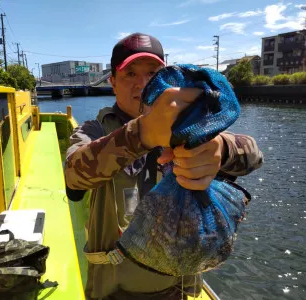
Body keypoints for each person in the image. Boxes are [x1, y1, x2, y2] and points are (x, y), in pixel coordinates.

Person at [64, 33, 263, 300]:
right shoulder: (94, 130)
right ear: (112, 82)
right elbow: (73, 177)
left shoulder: (191, 128)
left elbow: (253, 156)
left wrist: (221, 148)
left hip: (177, 286)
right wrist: (142, 133)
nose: (142, 83)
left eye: (152, 72)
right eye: (130, 74)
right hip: (116, 291)